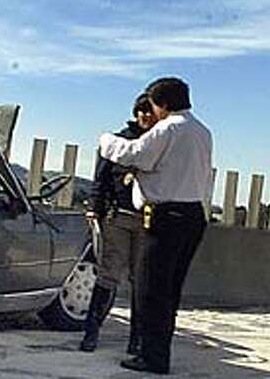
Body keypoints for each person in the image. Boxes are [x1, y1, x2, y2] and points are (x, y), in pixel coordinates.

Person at [98, 77, 212, 375]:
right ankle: (159, 350)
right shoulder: (202, 131)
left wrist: (106, 142)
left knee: (150, 290)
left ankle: (152, 357)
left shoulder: (168, 128)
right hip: (192, 216)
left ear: (162, 104)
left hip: (165, 218)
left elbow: (135, 155)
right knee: (169, 290)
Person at [79, 93, 156, 354]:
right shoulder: (118, 140)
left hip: (148, 220)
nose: (145, 116)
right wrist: (94, 208)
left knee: (141, 280)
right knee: (108, 275)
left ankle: (137, 339)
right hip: (118, 217)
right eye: (141, 111)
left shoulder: (160, 141)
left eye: (150, 111)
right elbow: (100, 179)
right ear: (135, 113)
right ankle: (91, 331)